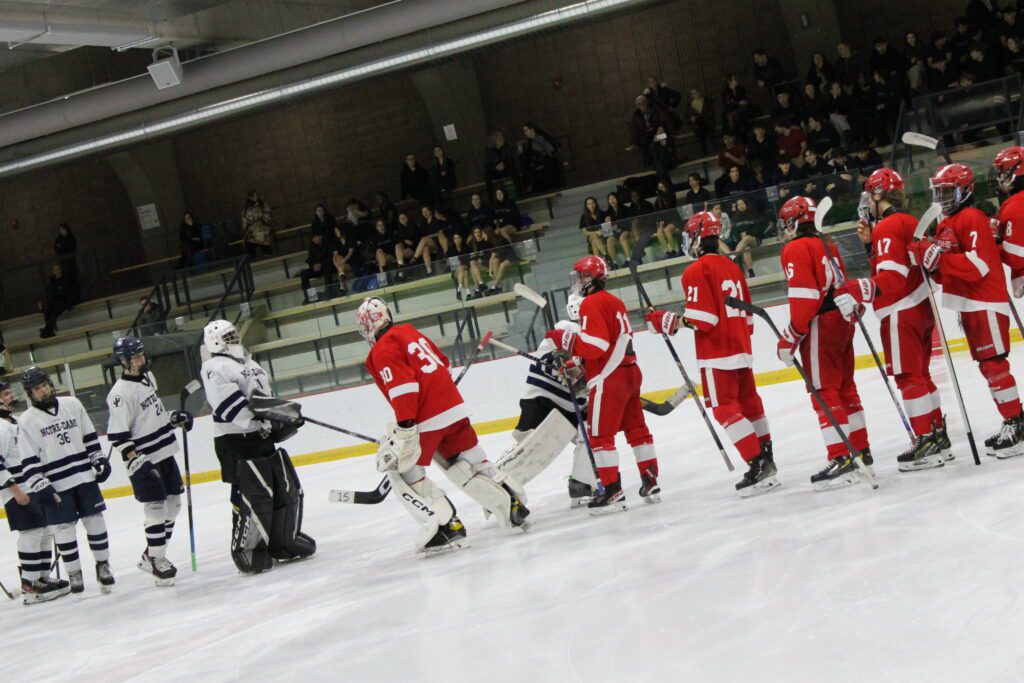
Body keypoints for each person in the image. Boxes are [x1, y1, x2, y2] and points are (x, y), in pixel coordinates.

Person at [356, 297, 529, 555]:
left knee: (404, 471)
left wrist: (404, 430)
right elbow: (443, 363)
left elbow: (404, 389)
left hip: (427, 416)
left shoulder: (381, 350)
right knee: (473, 460)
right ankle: (514, 504)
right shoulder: (409, 331)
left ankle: (446, 526)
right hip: (454, 407)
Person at [646, 212, 777, 496]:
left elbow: (701, 320)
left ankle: (757, 464)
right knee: (750, 404)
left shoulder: (696, 270)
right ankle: (768, 459)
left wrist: (667, 321)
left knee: (725, 408)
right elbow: (748, 317)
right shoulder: (733, 266)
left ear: (696, 237)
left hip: (717, 352)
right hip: (741, 346)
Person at [834, 169, 950, 470]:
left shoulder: (887, 226)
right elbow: (904, 262)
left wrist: (857, 289)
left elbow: (892, 278)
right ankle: (938, 435)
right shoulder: (907, 220)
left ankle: (925, 440)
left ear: (877, 195)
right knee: (922, 375)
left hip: (900, 311)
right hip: (921, 306)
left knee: (908, 377)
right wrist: (871, 247)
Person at [910, 164, 1024, 457]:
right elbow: (947, 271)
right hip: (969, 304)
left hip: (984, 301)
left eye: (949, 191)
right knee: (988, 367)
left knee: (995, 365)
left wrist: (939, 259)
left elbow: (979, 265)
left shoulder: (971, 217)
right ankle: (1012, 419)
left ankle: (1017, 423)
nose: (944, 197)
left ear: (966, 190)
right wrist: (930, 262)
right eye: (940, 192)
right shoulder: (948, 222)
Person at [544, 256, 660, 513]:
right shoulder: (615, 301)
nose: (577, 282)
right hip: (630, 372)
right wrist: (581, 366)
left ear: (589, 278)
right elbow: (610, 342)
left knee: (599, 436)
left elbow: (596, 347)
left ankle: (611, 491)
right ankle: (650, 480)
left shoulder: (591, 304)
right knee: (637, 430)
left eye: (579, 277)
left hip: (610, 379)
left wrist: (564, 339)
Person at [199, 320, 316, 573]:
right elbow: (230, 408)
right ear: (215, 342)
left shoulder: (251, 364)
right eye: (227, 336)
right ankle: (248, 549)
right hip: (234, 440)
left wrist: (281, 417)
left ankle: (282, 541)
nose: (233, 339)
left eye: (233, 334)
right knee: (251, 493)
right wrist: (275, 413)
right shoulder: (214, 367)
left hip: (260, 435)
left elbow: (264, 398)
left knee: (283, 488)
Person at [775, 197, 872, 489]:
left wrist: (789, 338)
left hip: (822, 324)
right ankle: (860, 450)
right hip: (843, 320)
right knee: (845, 387)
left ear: (794, 221)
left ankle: (842, 457)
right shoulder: (827, 244)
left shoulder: (795, 248)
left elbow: (805, 302)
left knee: (824, 391)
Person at [18, 366, 114, 594]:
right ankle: (74, 573)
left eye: (44, 385)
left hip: (83, 477)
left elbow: (90, 437)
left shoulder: (73, 404)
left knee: (95, 521)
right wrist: (39, 484)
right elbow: (28, 460)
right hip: (57, 485)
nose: (42, 390)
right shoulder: (27, 420)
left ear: (50, 384)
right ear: (29, 393)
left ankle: (103, 565)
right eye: (36, 388)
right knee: (63, 529)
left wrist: (99, 459)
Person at [106, 337, 192, 585]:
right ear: (123, 361)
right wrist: (137, 459)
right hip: (144, 460)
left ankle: (150, 555)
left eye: (141, 355)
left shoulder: (148, 378)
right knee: (155, 508)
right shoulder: (119, 394)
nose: (140, 360)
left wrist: (174, 417)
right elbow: (118, 435)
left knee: (174, 505)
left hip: (164, 451)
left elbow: (152, 415)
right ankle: (156, 558)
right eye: (134, 357)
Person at [499, 292, 596, 506]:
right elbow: (548, 360)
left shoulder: (595, 335)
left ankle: (581, 483)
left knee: (593, 436)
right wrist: (560, 358)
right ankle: (498, 484)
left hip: (573, 406)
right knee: (526, 450)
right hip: (542, 400)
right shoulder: (566, 327)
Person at [0, 379, 70, 604]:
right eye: (7, 394)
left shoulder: (17, 421)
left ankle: (42, 578)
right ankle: (29, 584)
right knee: (30, 534)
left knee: (46, 531)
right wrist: (14, 489)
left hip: (33, 485)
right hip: (17, 489)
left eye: (10, 392)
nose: (11, 396)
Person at [520, 122, 562, 193]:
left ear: (532, 130)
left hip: (548, 169)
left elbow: (551, 150)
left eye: (526, 130)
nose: (524, 133)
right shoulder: (529, 143)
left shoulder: (541, 138)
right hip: (540, 171)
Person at [297, 231, 333, 302]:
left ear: (321, 236)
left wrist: (321, 264)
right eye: (313, 238)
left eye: (316, 237)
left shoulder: (328, 244)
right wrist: (313, 265)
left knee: (327, 271)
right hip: (317, 269)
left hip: (328, 267)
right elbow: (310, 259)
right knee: (304, 274)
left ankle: (328, 295)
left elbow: (330, 258)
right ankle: (310, 297)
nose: (315, 239)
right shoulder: (312, 246)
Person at [40, 263, 72, 339]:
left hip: (64, 301)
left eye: (57, 270)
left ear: (60, 271)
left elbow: (64, 291)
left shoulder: (65, 279)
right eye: (55, 270)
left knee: (54, 313)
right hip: (54, 301)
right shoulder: (52, 281)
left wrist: (57, 291)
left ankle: (47, 330)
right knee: (47, 312)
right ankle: (48, 329)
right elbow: (50, 291)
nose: (56, 271)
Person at [241, 190, 274, 256]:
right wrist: (246, 226)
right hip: (252, 227)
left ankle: (266, 250)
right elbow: (244, 219)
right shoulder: (246, 208)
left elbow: (267, 214)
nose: (256, 197)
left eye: (256, 195)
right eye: (254, 196)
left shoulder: (262, 204)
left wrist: (264, 219)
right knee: (248, 240)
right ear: (250, 197)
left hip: (263, 225)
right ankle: (252, 255)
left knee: (261, 235)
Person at [53, 223, 79, 306]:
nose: (62, 231)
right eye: (60, 230)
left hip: (71, 263)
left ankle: (77, 298)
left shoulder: (70, 238)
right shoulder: (58, 240)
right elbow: (57, 249)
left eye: (63, 230)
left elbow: (72, 249)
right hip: (64, 264)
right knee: (66, 282)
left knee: (74, 281)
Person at [484, 130, 516, 197]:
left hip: (506, 169)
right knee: (487, 174)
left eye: (502, 138)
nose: (502, 140)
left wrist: (504, 164)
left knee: (513, 168)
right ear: (495, 141)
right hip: (496, 171)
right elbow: (487, 164)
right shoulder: (489, 150)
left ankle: (519, 193)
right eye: (500, 139)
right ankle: (491, 198)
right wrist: (495, 167)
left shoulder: (507, 146)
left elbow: (511, 159)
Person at [653, 180, 681, 257]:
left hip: (674, 219)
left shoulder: (671, 195)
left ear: (666, 187)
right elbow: (657, 213)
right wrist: (660, 221)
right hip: (664, 221)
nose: (661, 189)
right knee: (659, 233)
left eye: (662, 187)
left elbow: (671, 204)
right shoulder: (657, 201)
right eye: (659, 188)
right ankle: (667, 251)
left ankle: (672, 250)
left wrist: (664, 195)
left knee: (667, 230)